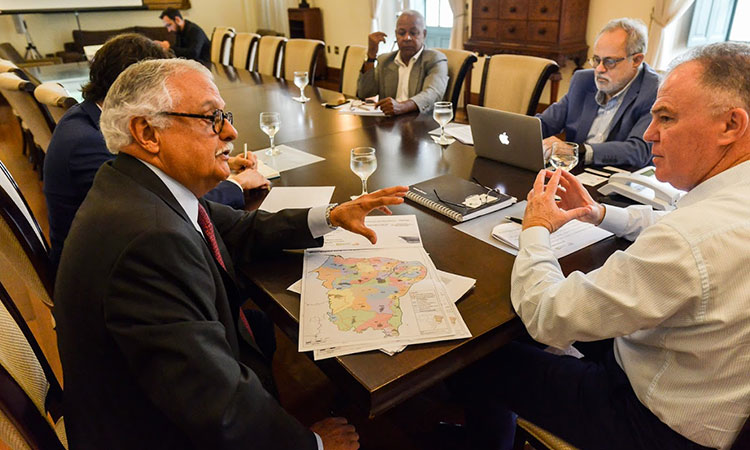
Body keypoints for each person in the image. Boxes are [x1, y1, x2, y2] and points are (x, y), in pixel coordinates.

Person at [53, 57, 408, 449]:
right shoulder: (149, 241)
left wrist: (331, 216)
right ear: (148, 133)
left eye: (225, 115)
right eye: (211, 118)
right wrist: (313, 445)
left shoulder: (138, 187)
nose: (231, 131)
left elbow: (237, 228)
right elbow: (221, 408)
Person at [460, 41, 750, 450]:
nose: (650, 134)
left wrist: (536, 228)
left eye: (665, 117)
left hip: (654, 424)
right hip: (708, 388)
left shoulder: (688, 241)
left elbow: (546, 313)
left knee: (484, 360)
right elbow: (677, 225)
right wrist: (599, 212)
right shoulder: (727, 205)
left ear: (731, 126)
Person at [43, 33, 266, 270]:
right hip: (109, 270)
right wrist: (237, 184)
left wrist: (214, 159)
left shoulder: (84, 117)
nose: (230, 132)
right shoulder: (88, 143)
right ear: (134, 86)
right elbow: (168, 202)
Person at [537, 18, 659, 168]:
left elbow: (639, 150)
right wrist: (520, 131)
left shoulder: (655, 90)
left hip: (619, 180)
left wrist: (579, 151)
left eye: (610, 62)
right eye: (596, 60)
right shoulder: (583, 81)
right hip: (577, 171)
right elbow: (545, 123)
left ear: (636, 60)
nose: (599, 69)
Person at [357, 10, 448, 116]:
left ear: (424, 34)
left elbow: (432, 93)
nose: (407, 38)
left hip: (421, 123)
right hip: (389, 125)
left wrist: (401, 106)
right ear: (396, 35)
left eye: (413, 33)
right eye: (402, 33)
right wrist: (371, 56)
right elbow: (364, 93)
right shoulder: (385, 60)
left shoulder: (435, 59)